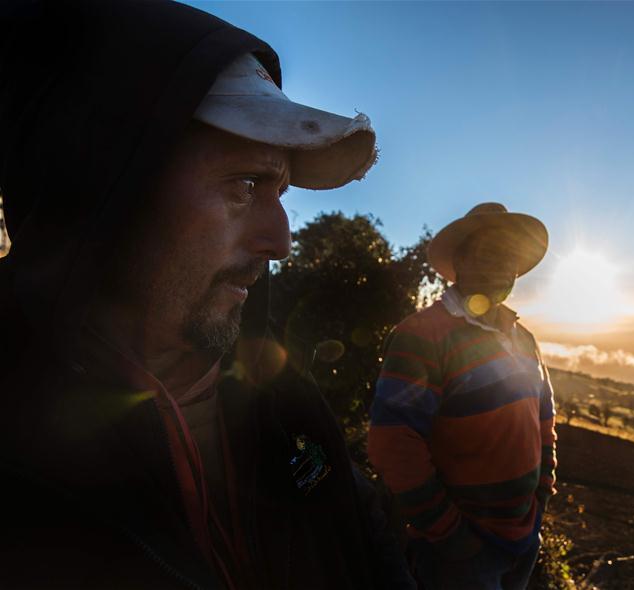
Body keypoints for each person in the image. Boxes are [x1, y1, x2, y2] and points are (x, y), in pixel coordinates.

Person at [0, 1, 414, 588]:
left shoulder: (280, 397)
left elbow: (358, 525)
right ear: (101, 189)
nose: (281, 242)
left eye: (280, 193)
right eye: (245, 185)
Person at [368, 202, 558, 589]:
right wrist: (452, 537)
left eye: (511, 259)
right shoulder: (422, 335)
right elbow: (393, 442)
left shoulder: (524, 338)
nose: (503, 267)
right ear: (461, 261)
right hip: (463, 554)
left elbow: (544, 420)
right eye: (491, 253)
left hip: (522, 538)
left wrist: (542, 498)